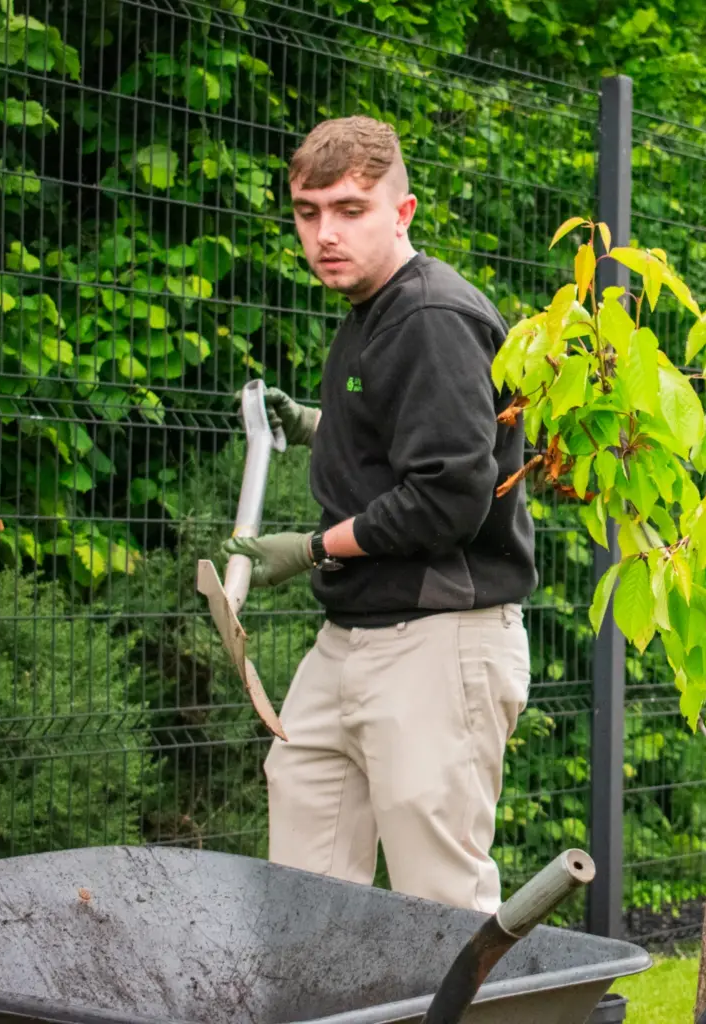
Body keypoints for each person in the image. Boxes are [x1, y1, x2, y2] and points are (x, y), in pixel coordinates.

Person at [222, 115, 537, 913]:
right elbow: (401, 440)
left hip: (438, 638)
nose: (325, 234)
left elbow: (446, 496)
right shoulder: (371, 310)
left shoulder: (430, 318)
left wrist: (312, 548)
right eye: (307, 212)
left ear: (402, 212)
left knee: (439, 897)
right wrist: (314, 425)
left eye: (350, 209)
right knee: (307, 876)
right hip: (352, 636)